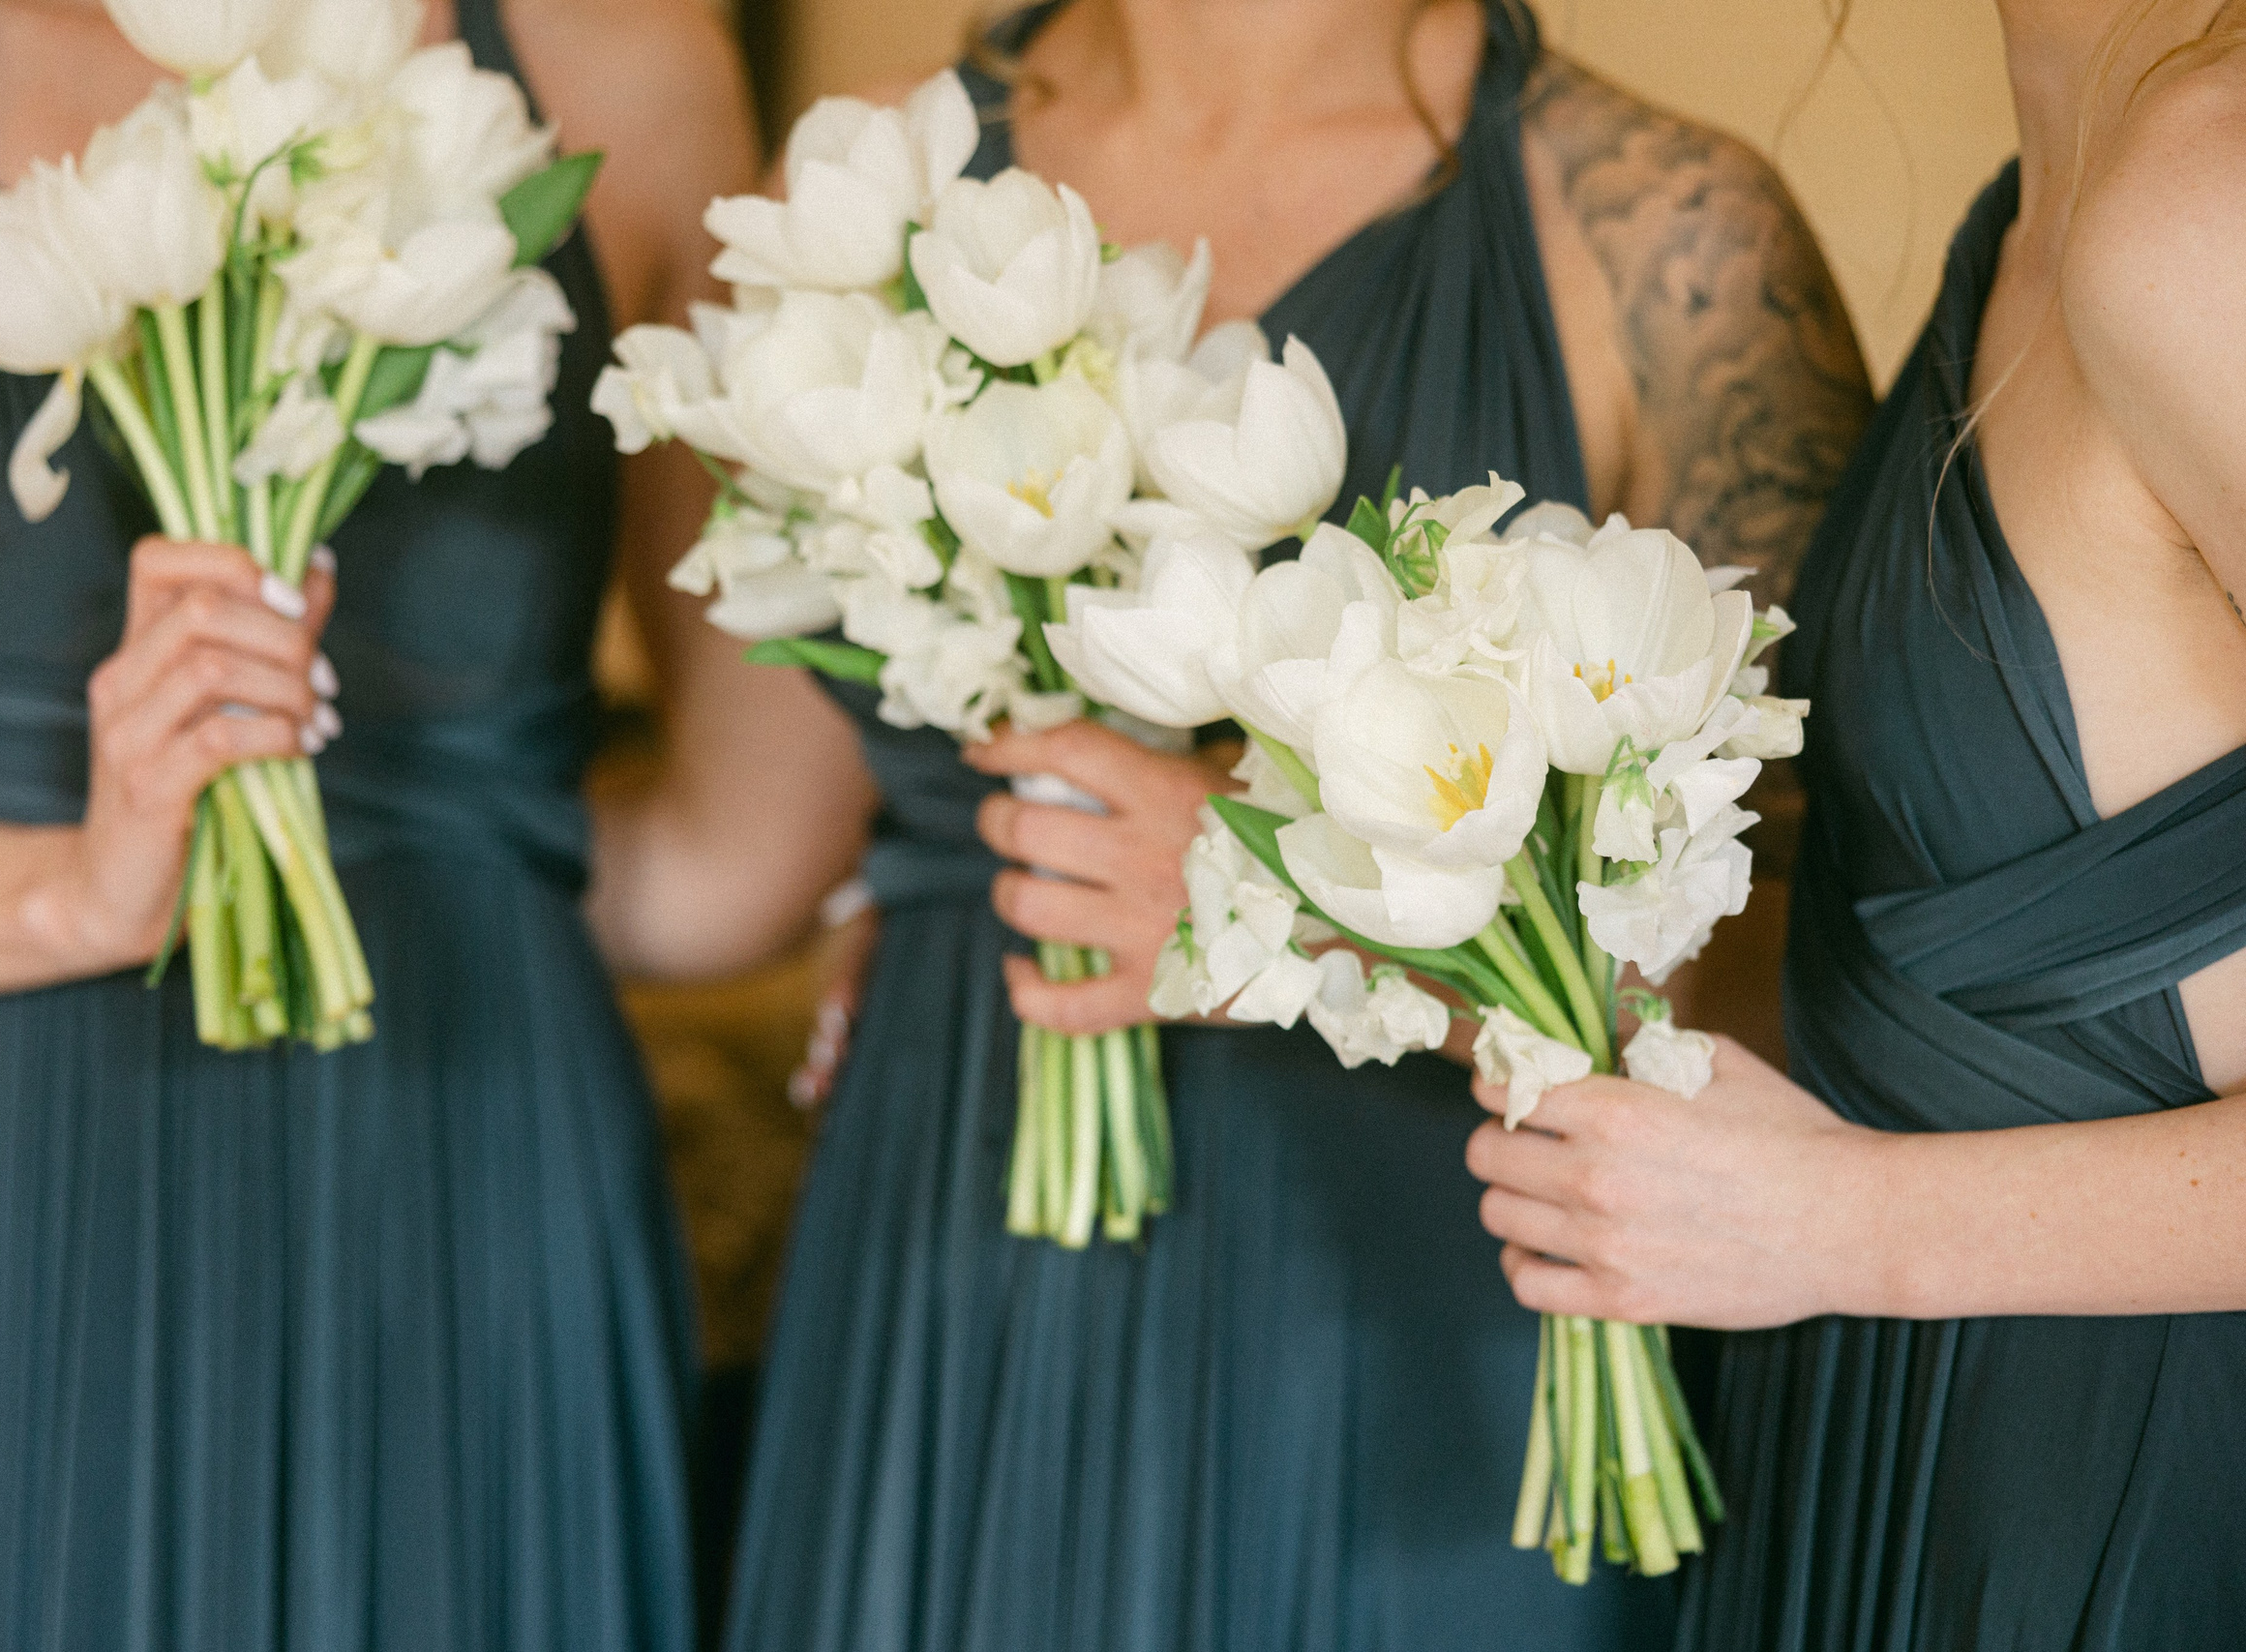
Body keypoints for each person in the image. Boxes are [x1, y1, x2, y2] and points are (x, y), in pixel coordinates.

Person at [709, 3, 1873, 1647]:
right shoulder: (865, 196)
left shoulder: (1670, 246)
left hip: (1411, 1325)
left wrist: (1288, 896)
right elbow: (746, 831)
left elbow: (1812, 986)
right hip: (949, 1239)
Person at [0, 0, 814, 1645]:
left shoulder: (635, 61)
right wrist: (77, 894)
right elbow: (727, 862)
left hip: (473, 1183)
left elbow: (745, 857)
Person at [1464, 1, 2246, 1645]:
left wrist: (1851, 1227)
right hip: (1908, 1447)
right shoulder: (2045, 187)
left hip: (2138, 1491)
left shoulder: (2210, 205)